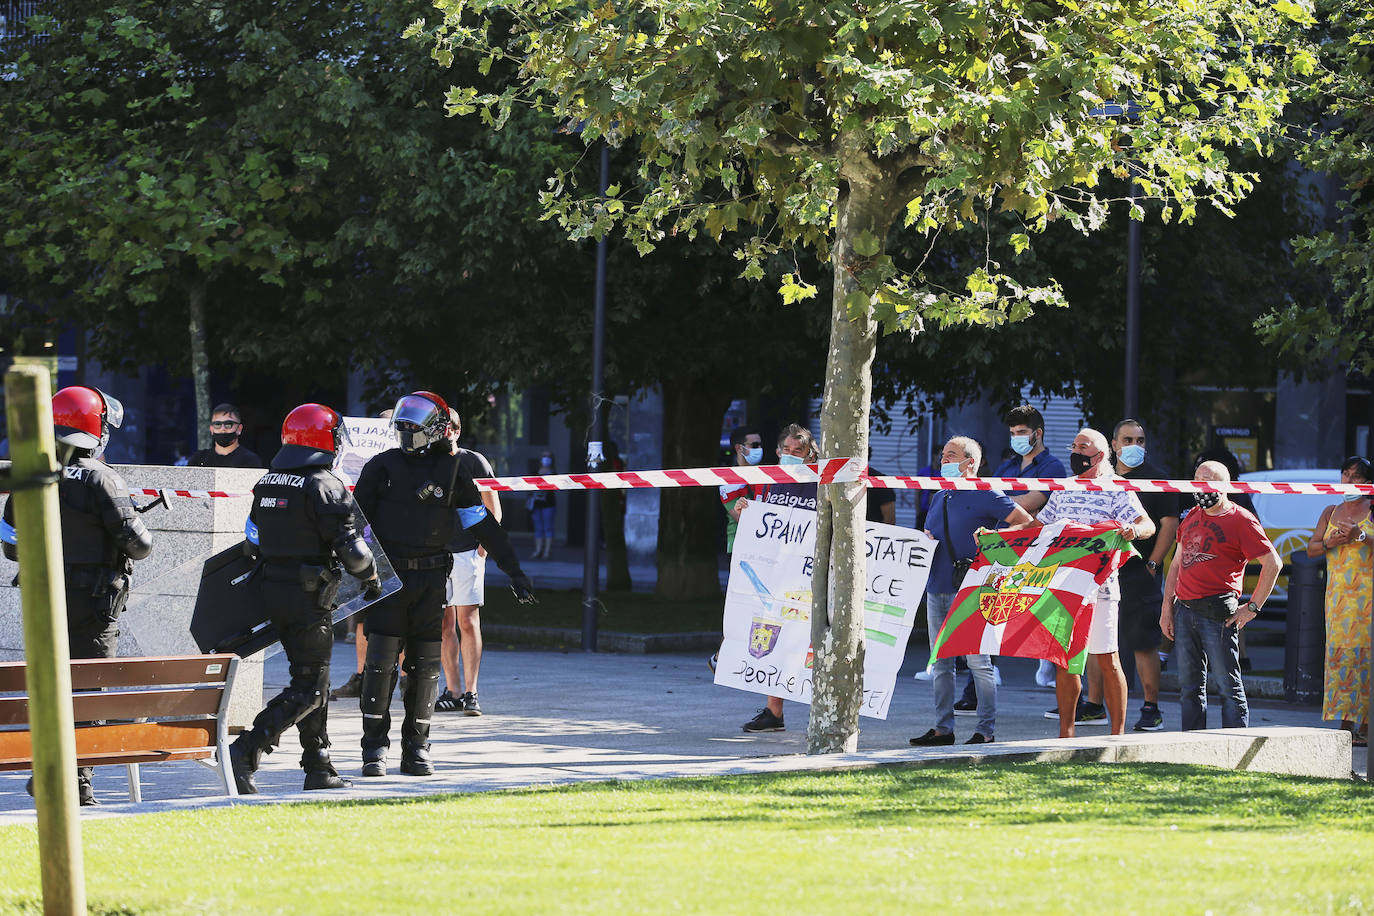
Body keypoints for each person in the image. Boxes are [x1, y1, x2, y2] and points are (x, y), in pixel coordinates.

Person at [353, 391, 535, 777]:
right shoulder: (380, 467)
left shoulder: (453, 471)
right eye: (403, 421)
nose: (406, 428)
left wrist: (514, 569)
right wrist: (353, 573)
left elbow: (483, 523)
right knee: (381, 663)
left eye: (415, 421)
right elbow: (351, 526)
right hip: (389, 581)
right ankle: (374, 749)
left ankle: (417, 748)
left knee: (425, 666)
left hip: (433, 578)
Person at [2, 386, 153, 805]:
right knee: (89, 691)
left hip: (43, 604)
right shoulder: (102, 477)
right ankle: (78, 781)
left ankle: (47, 768)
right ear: (94, 427)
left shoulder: (30, 476)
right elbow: (140, 546)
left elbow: (12, 545)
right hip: (94, 607)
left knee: (51, 685)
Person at [227, 404, 382, 794]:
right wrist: (373, 576)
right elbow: (355, 554)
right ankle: (246, 749)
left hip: (272, 591)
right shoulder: (326, 486)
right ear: (325, 441)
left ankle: (318, 765)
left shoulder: (268, 483)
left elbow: (252, 541)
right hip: (310, 598)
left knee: (315, 680)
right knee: (312, 687)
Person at [909, 436, 1032, 747]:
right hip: (938, 586)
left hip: (976, 587)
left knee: (979, 661)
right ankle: (942, 729)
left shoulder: (987, 492)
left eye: (951, 456)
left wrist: (995, 536)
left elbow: (1026, 523)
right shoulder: (940, 496)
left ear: (970, 463)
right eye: (942, 457)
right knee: (941, 662)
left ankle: (985, 730)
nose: (944, 462)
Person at [1035, 428, 1155, 737]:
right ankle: (1066, 734)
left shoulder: (1117, 487)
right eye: (1073, 445)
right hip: (1061, 587)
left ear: (1100, 455)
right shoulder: (1063, 487)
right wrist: (999, 535)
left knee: (1107, 659)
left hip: (1101, 589)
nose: (1074, 451)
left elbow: (1148, 525)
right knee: (1064, 660)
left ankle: (1117, 736)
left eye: (1082, 446)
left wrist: (1132, 530)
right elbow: (1037, 526)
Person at [1161, 460, 1280, 731]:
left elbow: (1273, 564)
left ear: (1225, 487)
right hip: (1185, 608)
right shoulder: (1192, 515)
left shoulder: (1241, 519)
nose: (1202, 486)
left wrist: (1252, 607)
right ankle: (1192, 745)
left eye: (1209, 480)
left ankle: (1234, 747)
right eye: (1198, 479)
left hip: (1218, 610)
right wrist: (1167, 609)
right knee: (1189, 687)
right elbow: (1177, 565)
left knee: (1228, 685)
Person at [737, 424, 818, 733]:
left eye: (798, 452)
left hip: (812, 574)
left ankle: (822, 712)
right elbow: (761, 521)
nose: (791, 456)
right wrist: (748, 509)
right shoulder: (769, 481)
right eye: (787, 451)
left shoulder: (821, 481)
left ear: (811, 456)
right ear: (777, 452)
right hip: (775, 574)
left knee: (811, 643)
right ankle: (774, 711)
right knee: (775, 637)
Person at [1106, 419, 1179, 732]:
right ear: (1113, 445)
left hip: (1139, 573)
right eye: (1127, 439)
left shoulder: (1157, 479)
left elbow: (1170, 525)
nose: (1134, 446)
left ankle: (1151, 708)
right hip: (1104, 573)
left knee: (1143, 643)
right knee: (1100, 641)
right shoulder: (1103, 479)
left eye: (1140, 439)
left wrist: (1152, 563)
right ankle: (1094, 705)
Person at [991, 405, 1068, 691]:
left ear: (1038, 433)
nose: (1016, 438)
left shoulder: (1054, 468)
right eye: (1012, 433)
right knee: (992, 611)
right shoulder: (1007, 466)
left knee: (1045, 614)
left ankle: (1050, 671)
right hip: (1004, 550)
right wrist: (1010, 502)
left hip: (1040, 553)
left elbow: (1031, 502)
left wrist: (1003, 502)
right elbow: (1003, 500)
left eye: (1021, 432)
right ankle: (983, 679)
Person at [434, 409, 500, 716]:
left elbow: (493, 508)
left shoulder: (476, 462)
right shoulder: (427, 461)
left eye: (447, 430)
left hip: (466, 551)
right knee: (444, 624)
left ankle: (472, 692)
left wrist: (485, 545)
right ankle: (453, 689)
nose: (442, 435)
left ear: (457, 432)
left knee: (468, 621)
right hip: (434, 552)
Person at [1306, 455, 1373, 746]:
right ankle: (1345, 724)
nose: (1348, 481)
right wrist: (1329, 543)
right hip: (1338, 599)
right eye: (1345, 475)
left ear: (1368, 483)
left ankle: (1367, 727)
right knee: (1341, 658)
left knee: (1367, 659)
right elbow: (1311, 549)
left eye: (1355, 477)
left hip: (1368, 598)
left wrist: (1360, 537)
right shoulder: (1330, 510)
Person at [187, 403, 263, 467]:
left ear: (239, 429)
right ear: (211, 429)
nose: (223, 428)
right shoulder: (198, 459)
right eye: (217, 424)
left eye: (228, 424)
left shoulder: (250, 460)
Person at [528, 451, 557, 559]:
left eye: (548, 457)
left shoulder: (554, 472)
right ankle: (538, 550)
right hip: (536, 504)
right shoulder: (535, 471)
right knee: (538, 528)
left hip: (548, 504)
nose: (546, 459)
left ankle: (547, 551)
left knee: (548, 527)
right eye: (544, 456)